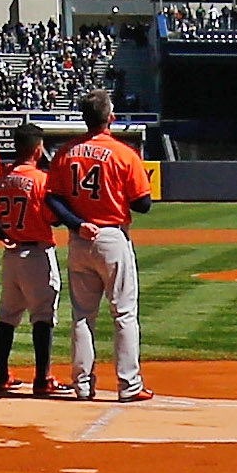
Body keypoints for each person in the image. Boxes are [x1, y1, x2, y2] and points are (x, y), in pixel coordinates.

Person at [52, 95, 155, 400]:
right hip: (111, 236)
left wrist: (76, 223)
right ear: (110, 117)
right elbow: (143, 204)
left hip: (79, 238)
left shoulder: (65, 152)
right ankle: (129, 384)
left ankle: (83, 385)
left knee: (83, 315)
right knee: (123, 313)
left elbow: (52, 198)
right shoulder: (124, 153)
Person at [0, 125, 63, 397]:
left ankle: (1, 375)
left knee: (7, 315)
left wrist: (4, 236)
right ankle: (42, 378)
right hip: (37, 254)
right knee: (42, 316)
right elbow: (55, 218)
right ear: (38, 149)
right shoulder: (41, 180)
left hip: (12, 254)